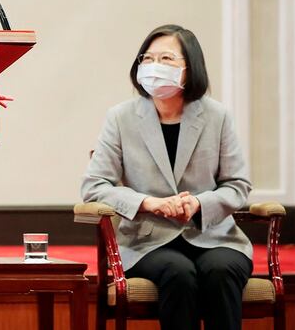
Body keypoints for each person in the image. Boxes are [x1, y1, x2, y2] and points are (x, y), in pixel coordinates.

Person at [81, 24, 253, 330]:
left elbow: (237, 185)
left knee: (221, 270)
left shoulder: (217, 116)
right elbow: (94, 187)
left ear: (190, 68)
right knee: (179, 273)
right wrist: (149, 203)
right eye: (147, 59)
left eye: (166, 59)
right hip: (148, 240)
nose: (153, 67)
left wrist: (199, 204)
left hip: (214, 236)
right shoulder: (120, 118)